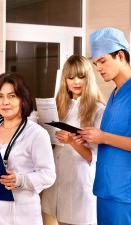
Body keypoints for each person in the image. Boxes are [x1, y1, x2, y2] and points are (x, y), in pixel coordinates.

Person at [0, 72, 56, 225]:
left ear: (23, 99)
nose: (5, 102)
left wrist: (20, 180)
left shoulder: (36, 134)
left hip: (21, 216)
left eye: (12, 96)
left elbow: (48, 175)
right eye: (0, 96)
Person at [41, 55, 105, 225]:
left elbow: (93, 157)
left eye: (81, 77)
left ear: (88, 78)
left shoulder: (98, 110)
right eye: (70, 77)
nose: (76, 82)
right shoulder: (61, 106)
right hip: (58, 182)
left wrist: (71, 141)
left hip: (80, 183)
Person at [78, 27, 131, 225]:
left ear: (120, 55)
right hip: (106, 188)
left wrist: (103, 137)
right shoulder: (114, 94)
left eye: (102, 61)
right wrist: (90, 137)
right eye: (95, 63)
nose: (98, 68)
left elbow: (108, 138)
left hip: (125, 193)